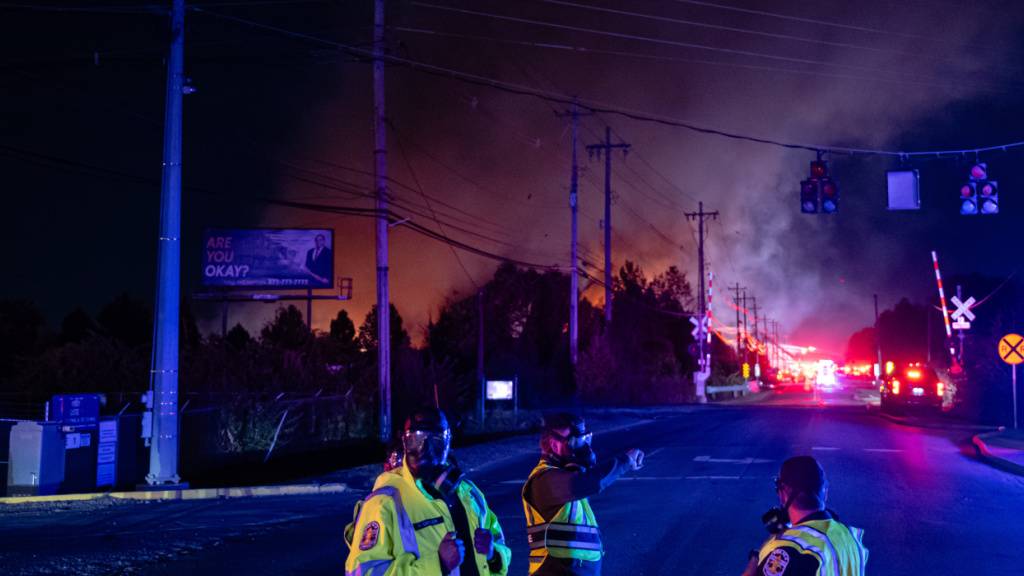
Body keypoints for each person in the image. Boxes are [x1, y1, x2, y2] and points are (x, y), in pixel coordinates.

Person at [345, 408, 511, 576]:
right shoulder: (384, 503)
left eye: (435, 440)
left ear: (447, 443)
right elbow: (361, 573)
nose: (424, 448)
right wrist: (437, 565)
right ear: (404, 442)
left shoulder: (469, 493)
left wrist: (494, 555)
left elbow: (499, 542)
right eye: (415, 439)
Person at [521, 413, 644, 575]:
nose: (583, 447)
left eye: (585, 438)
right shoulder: (545, 479)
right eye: (576, 441)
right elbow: (590, 482)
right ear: (554, 443)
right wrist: (624, 462)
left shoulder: (565, 475)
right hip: (554, 570)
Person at [742, 456, 868, 576]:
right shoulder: (850, 536)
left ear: (782, 494)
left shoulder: (789, 551)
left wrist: (755, 558)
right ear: (825, 493)